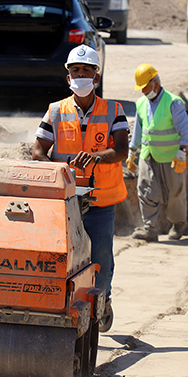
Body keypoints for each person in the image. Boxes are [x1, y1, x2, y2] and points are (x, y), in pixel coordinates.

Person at [33, 44, 128, 332]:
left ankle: (102, 301)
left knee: (100, 258)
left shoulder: (114, 110)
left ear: (96, 77)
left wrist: (96, 157)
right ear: (68, 78)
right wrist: (58, 173)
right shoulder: (55, 111)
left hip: (101, 200)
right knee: (61, 258)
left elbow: (122, 150)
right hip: (66, 201)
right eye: (76, 71)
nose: (81, 75)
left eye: (87, 71)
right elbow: (38, 151)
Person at [126, 63, 188, 242]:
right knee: (145, 190)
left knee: (175, 194)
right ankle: (150, 229)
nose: (142, 91)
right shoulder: (141, 104)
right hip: (148, 155)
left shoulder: (173, 102)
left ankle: (179, 225)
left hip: (171, 158)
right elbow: (139, 130)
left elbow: (186, 129)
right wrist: (132, 152)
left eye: (144, 87)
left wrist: (182, 152)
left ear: (155, 82)